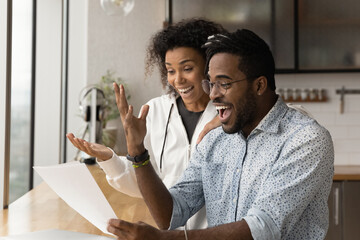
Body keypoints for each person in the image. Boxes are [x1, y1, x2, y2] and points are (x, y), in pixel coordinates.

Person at [106, 29, 334, 239]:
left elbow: (264, 227)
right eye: (211, 84)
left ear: (259, 85)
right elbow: (170, 214)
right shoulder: (215, 140)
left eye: (223, 84)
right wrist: (138, 153)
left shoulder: (306, 140)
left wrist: (165, 239)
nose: (213, 95)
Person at [67, 18, 226, 229]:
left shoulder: (230, 114)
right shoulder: (154, 112)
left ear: (208, 67)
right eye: (170, 70)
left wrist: (228, 112)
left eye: (187, 68)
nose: (178, 80)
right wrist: (109, 158)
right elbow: (146, 183)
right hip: (167, 232)